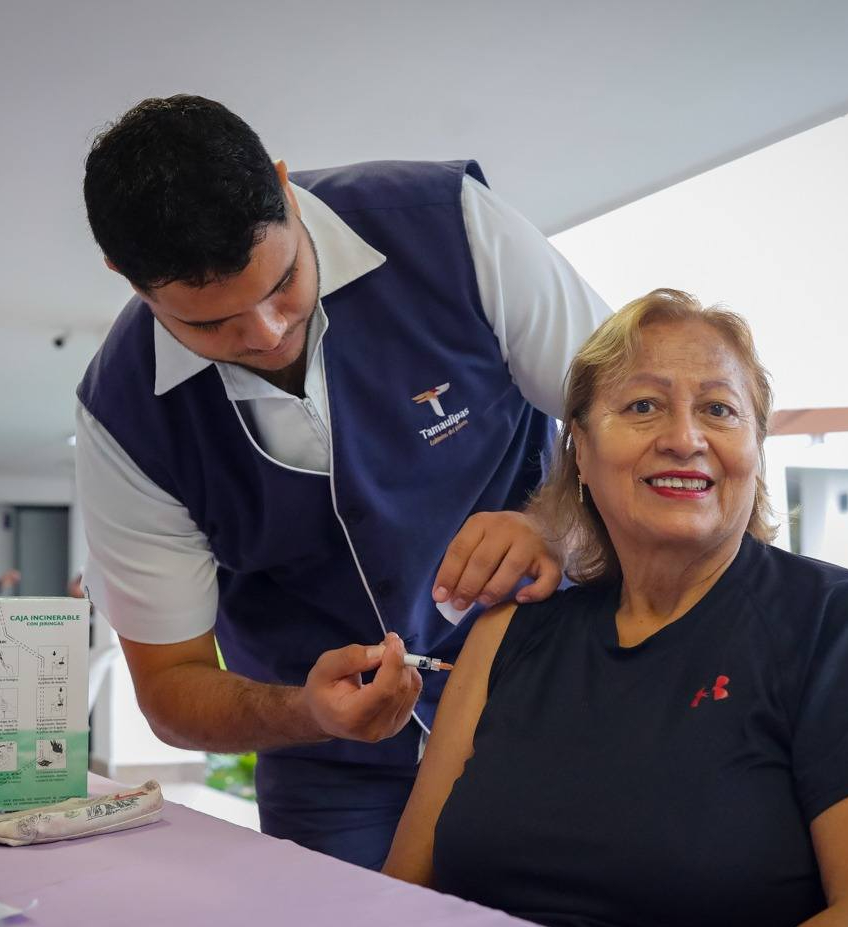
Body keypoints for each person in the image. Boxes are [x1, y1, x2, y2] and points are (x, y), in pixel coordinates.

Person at [384, 290, 848, 927]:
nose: (684, 437)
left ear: (755, 449)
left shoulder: (836, 623)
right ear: (577, 446)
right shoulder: (508, 634)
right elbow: (403, 901)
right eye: (642, 406)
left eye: (719, 410)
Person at [75, 95, 609, 868]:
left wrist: (550, 523)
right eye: (211, 324)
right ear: (126, 279)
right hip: (330, 775)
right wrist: (308, 712)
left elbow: (635, 422)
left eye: (282, 281)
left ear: (285, 190)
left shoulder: (455, 228)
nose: (263, 333)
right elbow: (171, 686)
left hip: (555, 705)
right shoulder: (122, 416)